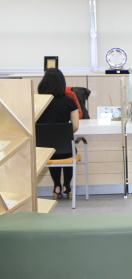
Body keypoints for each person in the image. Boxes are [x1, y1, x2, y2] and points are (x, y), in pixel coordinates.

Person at [36, 68, 79, 200]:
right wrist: (62, 135)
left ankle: (57, 186)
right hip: (66, 146)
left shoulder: (37, 102)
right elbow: (75, 126)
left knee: (51, 151)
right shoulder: (69, 102)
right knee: (69, 149)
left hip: (44, 147)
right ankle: (67, 186)